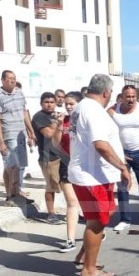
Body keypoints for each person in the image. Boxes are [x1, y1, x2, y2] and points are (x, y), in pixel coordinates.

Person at [67, 74, 130, 276]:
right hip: (91, 175)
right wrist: (122, 167)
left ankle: (84, 256)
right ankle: (89, 269)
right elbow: (100, 145)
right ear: (106, 92)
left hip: (94, 173)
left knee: (107, 212)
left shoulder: (82, 107)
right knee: (96, 222)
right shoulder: (93, 111)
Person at [108, 85, 139, 229]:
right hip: (121, 154)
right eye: (127, 96)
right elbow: (105, 132)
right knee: (123, 187)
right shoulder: (112, 111)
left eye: (133, 96)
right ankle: (125, 219)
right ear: (122, 97)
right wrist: (116, 153)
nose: (130, 99)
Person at [0, 70, 36, 206]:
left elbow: (25, 113)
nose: (12, 80)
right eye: (10, 78)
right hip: (9, 135)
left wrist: (31, 132)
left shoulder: (19, 93)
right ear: (3, 80)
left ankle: (17, 193)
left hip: (21, 134)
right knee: (11, 166)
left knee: (20, 166)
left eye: (14, 78)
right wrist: (1, 142)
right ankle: (10, 196)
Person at [51, 91, 83, 253]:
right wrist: (59, 125)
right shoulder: (63, 121)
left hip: (85, 165)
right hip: (66, 164)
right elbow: (56, 144)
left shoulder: (86, 120)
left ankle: (98, 229)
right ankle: (70, 240)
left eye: (72, 103)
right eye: (67, 104)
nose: (68, 106)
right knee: (72, 203)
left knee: (86, 202)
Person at [30, 92, 65, 224]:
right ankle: (51, 214)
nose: (49, 104)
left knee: (66, 186)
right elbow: (49, 134)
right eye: (46, 102)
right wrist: (57, 123)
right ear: (41, 103)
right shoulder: (39, 117)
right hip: (48, 157)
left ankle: (71, 211)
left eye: (52, 102)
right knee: (51, 187)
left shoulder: (57, 115)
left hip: (61, 156)